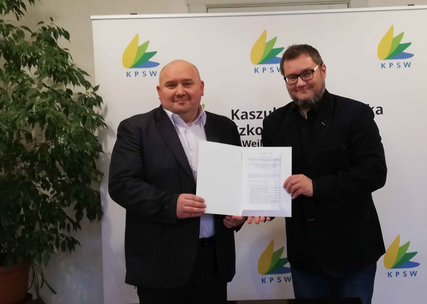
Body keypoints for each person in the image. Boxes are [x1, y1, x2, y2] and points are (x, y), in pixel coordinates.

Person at [109, 60, 246, 303]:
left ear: (201, 87)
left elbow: (238, 182)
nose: (180, 91)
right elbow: (122, 184)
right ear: (159, 91)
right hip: (161, 264)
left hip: (214, 261)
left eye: (187, 83)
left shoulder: (225, 127)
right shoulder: (136, 128)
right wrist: (170, 204)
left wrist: (239, 215)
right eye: (171, 85)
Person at [262, 45, 387, 303]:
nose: (300, 82)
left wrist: (316, 187)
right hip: (304, 255)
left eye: (307, 73)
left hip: (353, 250)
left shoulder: (355, 114)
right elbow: (271, 181)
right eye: (291, 77)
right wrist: (256, 207)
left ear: (323, 70)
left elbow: (374, 172)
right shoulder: (273, 123)